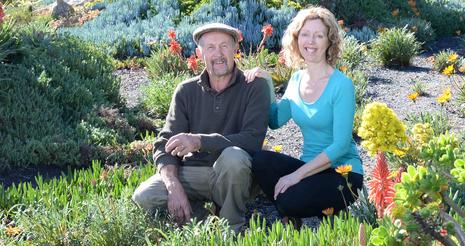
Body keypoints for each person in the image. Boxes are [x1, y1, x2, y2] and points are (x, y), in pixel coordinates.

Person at [132, 23, 270, 231]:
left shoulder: (254, 87)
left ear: (235, 50)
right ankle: (205, 225)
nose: (219, 54)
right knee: (145, 196)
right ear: (199, 53)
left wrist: (199, 141)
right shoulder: (186, 91)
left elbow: (252, 140)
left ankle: (232, 228)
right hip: (196, 173)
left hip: (237, 176)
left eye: (224, 46)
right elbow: (164, 144)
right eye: (210, 48)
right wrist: (173, 186)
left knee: (234, 157)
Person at [244, 7, 363, 225]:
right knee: (260, 160)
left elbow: (341, 146)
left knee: (289, 199)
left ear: (330, 41)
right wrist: (268, 84)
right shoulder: (297, 79)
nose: (311, 41)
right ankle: (293, 214)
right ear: (297, 39)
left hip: (344, 174)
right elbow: (276, 121)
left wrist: (296, 176)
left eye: (319, 35)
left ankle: (305, 210)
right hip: (310, 168)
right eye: (306, 34)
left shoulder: (342, 85)